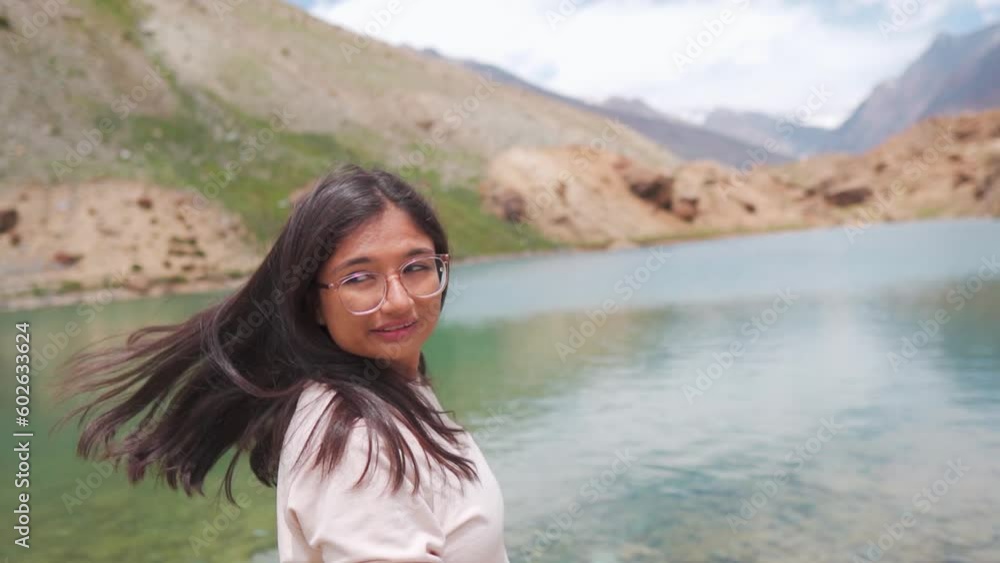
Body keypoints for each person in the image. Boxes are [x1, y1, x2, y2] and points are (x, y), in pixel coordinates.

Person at [54, 164, 510, 562]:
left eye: (416, 267)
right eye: (359, 278)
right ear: (312, 302)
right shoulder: (355, 440)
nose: (397, 301)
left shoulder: (396, 388)